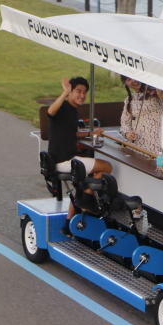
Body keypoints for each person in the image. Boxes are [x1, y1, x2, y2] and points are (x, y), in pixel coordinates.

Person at [48, 76, 113, 236]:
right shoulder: (63, 107)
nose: (82, 95)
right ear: (71, 91)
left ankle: (68, 224)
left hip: (65, 160)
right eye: (78, 91)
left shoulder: (73, 110)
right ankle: (85, 200)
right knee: (107, 167)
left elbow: (72, 133)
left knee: (84, 183)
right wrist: (64, 93)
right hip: (65, 161)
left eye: (84, 92)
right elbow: (51, 111)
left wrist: (91, 133)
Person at [119, 75, 163, 154]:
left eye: (135, 76)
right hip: (137, 142)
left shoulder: (156, 92)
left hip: (156, 142)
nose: (134, 80)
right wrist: (127, 133)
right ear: (126, 83)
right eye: (129, 79)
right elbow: (124, 122)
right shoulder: (129, 99)